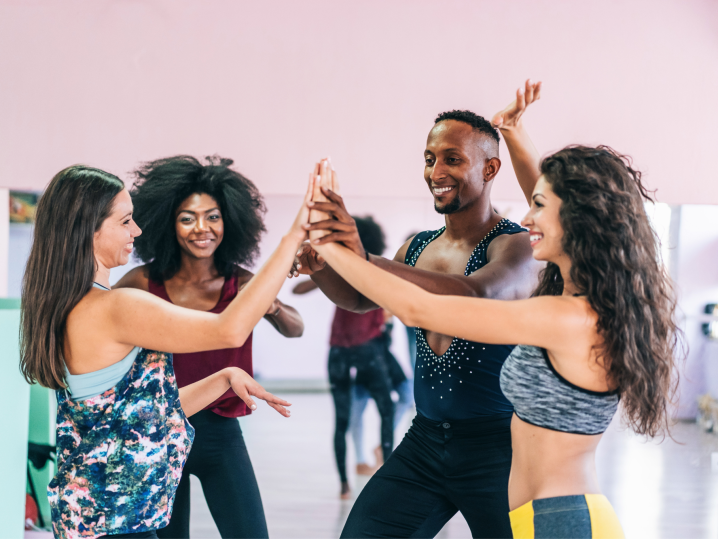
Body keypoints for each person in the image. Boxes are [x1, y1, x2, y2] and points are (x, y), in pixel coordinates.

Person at [304, 88, 681, 537]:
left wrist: (343, 247)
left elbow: (424, 306)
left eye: (538, 207)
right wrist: (514, 132)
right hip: (519, 502)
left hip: (558, 520)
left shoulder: (564, 317)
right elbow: (558, 202)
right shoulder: (571, 303)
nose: (526, 218)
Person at [19, 165, 314, 539]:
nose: (136, 231)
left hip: (96, 512)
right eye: (126, 221)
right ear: (88, 228)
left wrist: (225, 377)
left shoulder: (72, 305)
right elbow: (229, 329)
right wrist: (293, 238)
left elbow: (136, 413)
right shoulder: (117, 307)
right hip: (117, 516)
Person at [293, 98, 542, 537]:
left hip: (498, 450)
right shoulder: (416, 247)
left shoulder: (516, 245)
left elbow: (476, 295)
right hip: (425, 443)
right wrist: (323, 265)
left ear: (489, 169)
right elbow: (358, 297)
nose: (436, 172)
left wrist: (361, 256)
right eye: (429, 159)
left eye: (452, 159)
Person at [114, 155, 303, 539]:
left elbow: (295, 328)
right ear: (168, 223)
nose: (202, 228)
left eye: (213, 216)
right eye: (187, 217)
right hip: (159, 434)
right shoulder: (141, 282)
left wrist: (272, 305)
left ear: (228, 221)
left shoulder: (242, 283)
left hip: (221, 435)